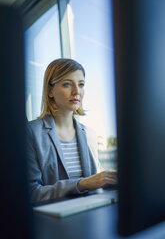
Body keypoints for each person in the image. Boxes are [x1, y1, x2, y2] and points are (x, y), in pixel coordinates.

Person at [26, 58, 117, 202]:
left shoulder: (90, 135)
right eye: (67, 84)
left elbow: (95, 187)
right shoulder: (30, 133)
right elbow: (31, 193)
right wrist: (80, 184)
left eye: (81, 85)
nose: (76, 92)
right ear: (50, 91)